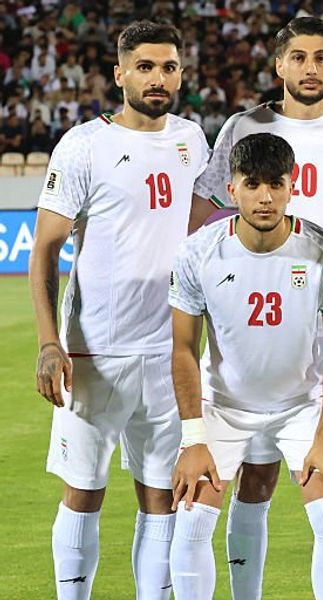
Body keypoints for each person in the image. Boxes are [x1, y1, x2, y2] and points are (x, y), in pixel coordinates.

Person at [190, 17, 323, 597]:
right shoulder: (244, 127)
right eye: (298, 57)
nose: (310, 67)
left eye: (321, 57)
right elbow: (203, 206)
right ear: (279, 64)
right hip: (257, 322)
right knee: (255, 475)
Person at [29, 21, 210, 600]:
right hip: (94, 352)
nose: (158, 79)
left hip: (169, 351)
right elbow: (45, 249)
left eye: (169, 68)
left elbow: (197, 229)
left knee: (162, 497)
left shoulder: (192, 139)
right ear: (120, 74)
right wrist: (49, 341)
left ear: (180, 74)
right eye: (145, 67)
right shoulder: (85, 145)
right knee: (84, 491)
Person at [167, 133, 323, 600]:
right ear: (231, 189)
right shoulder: (198, 252)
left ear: (294, 186)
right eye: (252, 184)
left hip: (300, 406)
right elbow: (183, 348)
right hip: (224, 406)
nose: (265, 196)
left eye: (276, 183)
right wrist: (193, 438)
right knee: (191, 519)